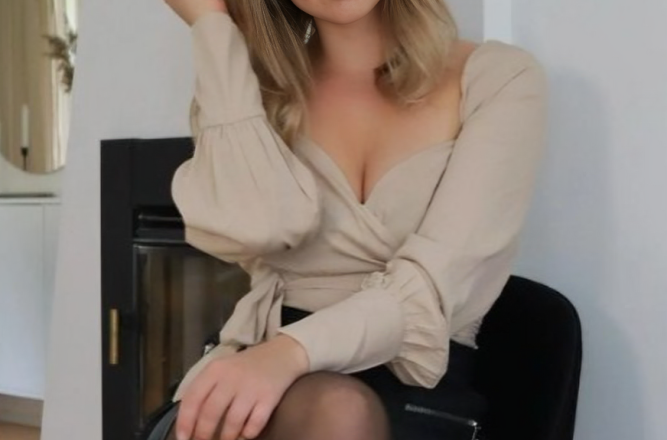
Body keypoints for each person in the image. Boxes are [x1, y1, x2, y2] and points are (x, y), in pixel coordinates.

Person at [164, 0, 548, 439]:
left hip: (411, 386)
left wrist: (290, 354)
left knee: (341, 411)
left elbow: (435, 287)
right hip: (258, 376)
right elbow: (256, 226)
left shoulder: (499, 78)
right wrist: (213, 26)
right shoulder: (254, 90)